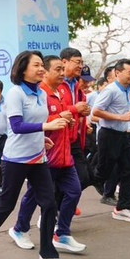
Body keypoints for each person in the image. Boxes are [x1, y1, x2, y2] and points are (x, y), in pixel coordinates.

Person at [0, 50, 71, 259]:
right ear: (23, 68)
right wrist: (45, 127)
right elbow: (16, 126)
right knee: (6, 204)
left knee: (49, 204)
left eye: (41, 66)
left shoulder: (41, 93)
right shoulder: (16, 93)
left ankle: (47, 255)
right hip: (16, 158)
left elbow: (35, 122)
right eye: (36, 65)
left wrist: (41, 136)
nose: (41, 69)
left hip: (38, 158)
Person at [11, 55, 86, 254]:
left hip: (65, 154)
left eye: (63, 69)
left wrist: (69, 121)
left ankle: (62, 233)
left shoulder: (61, 91)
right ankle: (19, 229)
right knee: (34, 197)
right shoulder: (37, 92)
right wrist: (61, 116)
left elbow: (59, 119)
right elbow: (30, 123)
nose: (62, 73)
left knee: (74, 192)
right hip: (45, 156)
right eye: (58, 69)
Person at [91, 59, 130, 223]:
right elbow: (96, 111)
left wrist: (127, 118)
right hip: (109, 135)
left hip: (123, 136)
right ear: (118, 73)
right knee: (102, 173)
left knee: (129, 171)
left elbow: (121, 112)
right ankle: (66, 194)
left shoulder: (127, 90)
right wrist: (120, 117)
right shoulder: (110, 90)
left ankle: (122, 208)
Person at [58, 48, 96, 199]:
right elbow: (51, 109)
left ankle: (61, 207)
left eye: (82, 62)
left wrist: (83, 115)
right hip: (57, 139)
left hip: (73, 139)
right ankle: (52, 212)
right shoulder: (57, 84)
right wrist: (75, 109)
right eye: (77, 62)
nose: (80, 66)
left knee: (84, 178)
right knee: (51, 181)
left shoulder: (76, 86)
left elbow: (75, 111)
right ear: (64, 62)